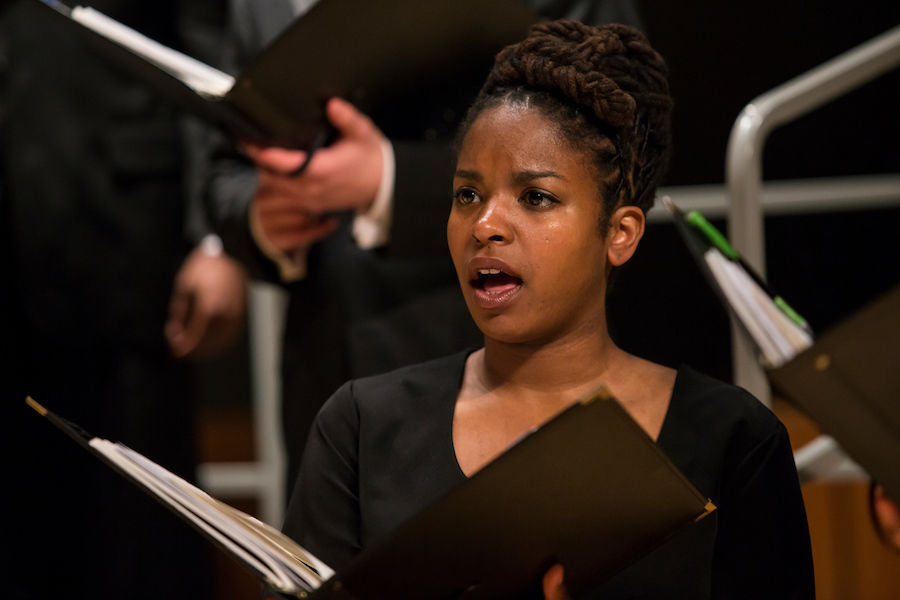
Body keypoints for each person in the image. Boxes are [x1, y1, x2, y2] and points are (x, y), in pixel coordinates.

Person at [281, 20, 816, 598]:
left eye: (536, 198)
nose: (485, 225)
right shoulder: (363, 427)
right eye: (468, 195)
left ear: (621, 234)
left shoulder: (732, 439)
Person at [206, 0, 644, 499]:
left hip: (494, 352)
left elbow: (619, 132)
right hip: (322, 366)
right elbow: (227, 166)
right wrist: (261, 218)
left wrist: (390, 179)